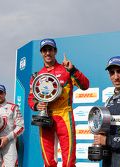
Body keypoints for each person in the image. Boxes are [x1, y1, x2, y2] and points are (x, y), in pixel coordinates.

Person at [28, 38, 89, 167]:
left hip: (64, 115)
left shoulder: (66, 70)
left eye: (50, 49)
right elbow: (31, 98)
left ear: (55, 51)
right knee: (48, 160)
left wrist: (73, 70)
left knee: (68, 160)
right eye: (44, 50)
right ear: (41, 53)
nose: (47, 53)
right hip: (45, 117)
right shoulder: (36, 75)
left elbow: (85, 85)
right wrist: (36, 105)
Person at [0, 84, 24, 167]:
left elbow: (21, 127)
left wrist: (7, 138)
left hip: (9, 143)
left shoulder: (13, 108)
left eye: (1, 93)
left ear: (5, 94)